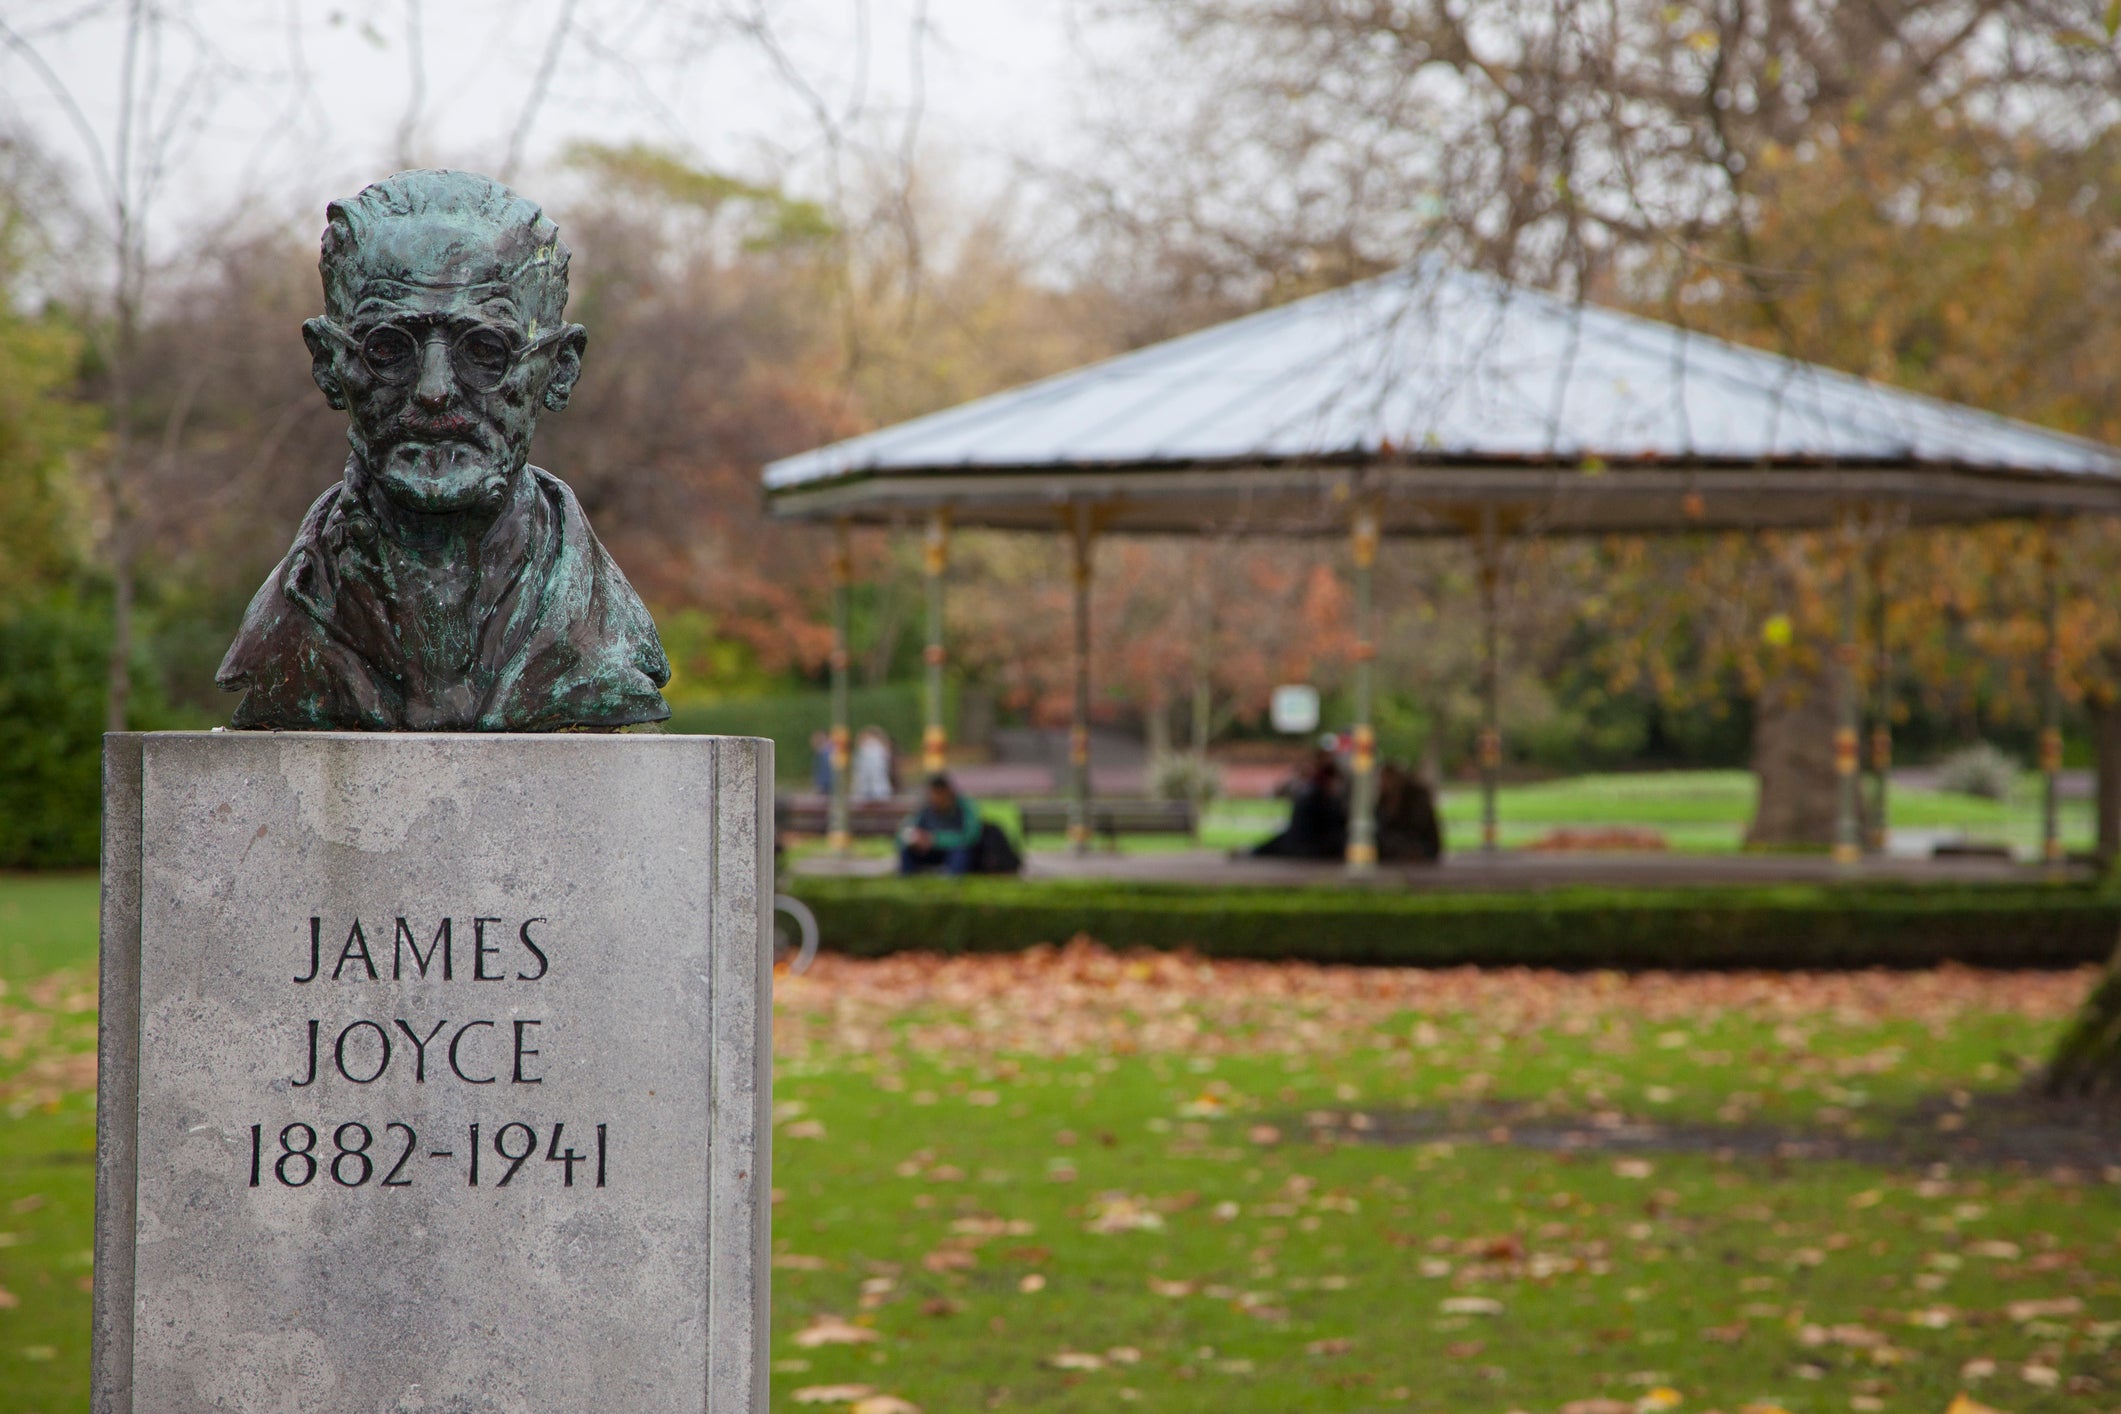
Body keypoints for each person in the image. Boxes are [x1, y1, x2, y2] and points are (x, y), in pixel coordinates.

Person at [217, 170, 668, 730]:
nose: (434, 390)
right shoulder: (292, 621)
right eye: (387, 348)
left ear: (559, 371)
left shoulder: (602, 638)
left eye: (485, 349)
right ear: (330, 366)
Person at [899, 775, 1019, 875]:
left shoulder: (965, 807)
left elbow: (969, 837)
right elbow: (904, 833)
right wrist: (913, 839)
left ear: (947, 792)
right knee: (907, 851)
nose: (935, 799)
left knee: (960, 852)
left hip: (960, 853)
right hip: (930, 852)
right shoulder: (925, 809)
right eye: (932, 795)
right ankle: (907, 882)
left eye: (938, 794)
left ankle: (953, 883)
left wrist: (935, 839)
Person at [1250, 748, 1349, 859]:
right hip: (1306, 849)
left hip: (1303, 848)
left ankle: (1250, 852)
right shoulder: (1316, 798)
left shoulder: (1314, 796)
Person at [851, 726, 896, 802]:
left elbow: (866, 772)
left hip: (870, 789)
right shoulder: (879, 749)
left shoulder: (869, 749)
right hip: (877, 789)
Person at [810, 730, 835, 796]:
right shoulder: (825, 751)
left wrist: (821, 786)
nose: (812, 741)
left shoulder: (825, 753)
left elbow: (826, 771)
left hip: (826, 788)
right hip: (827, 786)